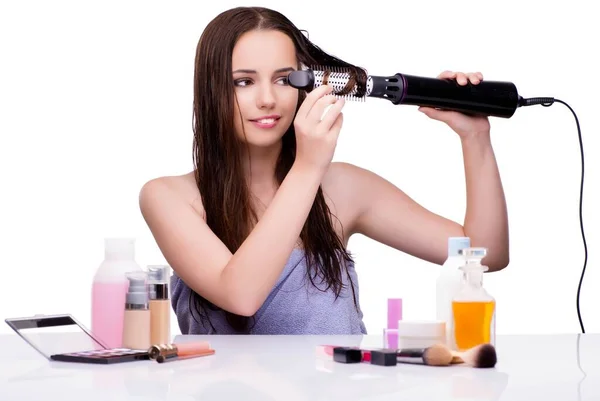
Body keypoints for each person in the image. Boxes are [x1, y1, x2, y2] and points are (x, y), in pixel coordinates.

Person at [139, 6, 510, 335]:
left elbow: (486, 254)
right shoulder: (170, 198)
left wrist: (475, 136)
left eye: (284, 79)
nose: (268, 99)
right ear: (210, 89)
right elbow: (241, 295)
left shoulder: (343, 188)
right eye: (244, 81)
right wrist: (308, 166)